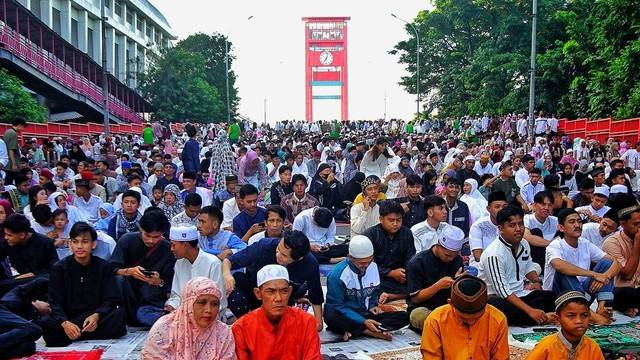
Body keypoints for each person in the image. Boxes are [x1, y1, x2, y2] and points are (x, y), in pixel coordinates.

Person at [37, 222, 126, 346]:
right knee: (46, 323)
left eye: (84, 242)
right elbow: (54, 301)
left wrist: (97, 315)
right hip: (70, 317)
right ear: (70, 244)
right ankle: (75, 332)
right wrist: (65, 323)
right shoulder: (59, 268)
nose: (79, 246)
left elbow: (111, 298)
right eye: (75, 242)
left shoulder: (104, 267)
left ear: (93, 244)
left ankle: (74, 334)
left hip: (95, 316)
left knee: (118, 316)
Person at [222, 231, 324, 330]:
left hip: (281, 299)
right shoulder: (264, 246)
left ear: (299, 258)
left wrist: (318, 323)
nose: (278, 255)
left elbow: (316, 294)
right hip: (255, 291)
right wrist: (227, 275)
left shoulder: (310, 264)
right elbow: (229, 261)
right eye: (278, 249)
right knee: (237, 287)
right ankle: (250, 322)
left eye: (284, 255)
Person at [479, 206, 556, 327]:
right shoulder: (493, 254)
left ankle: (540, 316)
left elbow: (528, 267)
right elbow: (503, 291)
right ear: (501, 229)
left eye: (521, 224)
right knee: (498, 308)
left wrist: (536, 281)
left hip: (520, 294)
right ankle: (543, 317)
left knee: (551, 297)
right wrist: (530, 311)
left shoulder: (524, 243)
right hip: (498, 299)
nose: (518, 229)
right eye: (512, 225)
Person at [543, 208, 620, 325]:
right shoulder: (555, 245)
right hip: (558, 296)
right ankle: (591, 315)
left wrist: (605, 276)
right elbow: (559, 265)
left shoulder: (585, 243)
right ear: (561, 227)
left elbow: (616, 262)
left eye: (579, 221)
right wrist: (594, 274)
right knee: (564, 272)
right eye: (572, 222)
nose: (577, 225)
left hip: (583, 295)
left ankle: (601, 308)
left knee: (606, 264)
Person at [324, 235, 408, 341]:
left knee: (404, 316)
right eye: (362, 263)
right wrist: (363, 321)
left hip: (366, 314)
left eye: (369, 261)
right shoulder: (337, 275)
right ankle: (367, 331)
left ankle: (356, 330)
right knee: (331, 316)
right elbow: (337, 305)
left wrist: (373, 306)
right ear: (350, 258)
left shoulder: (372, 266)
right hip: (347, 316)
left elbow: (375, 292)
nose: (366, 266)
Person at [232, 264, 322, 360]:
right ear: (258, 293)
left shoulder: (306, 321)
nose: (278, 298)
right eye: (271, 292)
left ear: (290, 291)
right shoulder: (241, 328)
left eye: (284, 291)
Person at [143, 277, 236, 360]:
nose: (209, 310)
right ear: (188, 304)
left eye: (215, 304)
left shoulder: (223, 333)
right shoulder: (164, 328)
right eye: (202, 302)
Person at [420, 275, 510, 360]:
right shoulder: (435, 320)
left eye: (477, 317)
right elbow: (431, 357)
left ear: (486, 305)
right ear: (451, 304)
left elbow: (501, 357)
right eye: (463, 318)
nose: (471, 322)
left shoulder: (498, 319)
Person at [110, 210, 175, 326]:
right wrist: (129, 271)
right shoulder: (126, 240)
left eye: (156, 237)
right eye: (147, 235)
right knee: (119, 280)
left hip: (152, 297)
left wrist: (159, 282)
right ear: (141, 229)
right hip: (128, 293)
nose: (150, 240)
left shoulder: (168, 248)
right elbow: (111, 269)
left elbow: (170, 281)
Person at [407, 226, 465, 331]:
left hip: (449, 307)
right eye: (447, 255)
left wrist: (461, 282)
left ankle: (447, 327)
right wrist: (438, 286)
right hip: (425, 308)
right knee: (418, 316)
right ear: (438, 245)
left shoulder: (457, 260)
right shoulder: (417, 262)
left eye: (454, 255)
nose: (450, 259)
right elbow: (415, 298)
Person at [164, 224, 227, 316]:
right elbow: (177, 295)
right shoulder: (179, 263)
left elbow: (219, 300)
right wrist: (171, 306)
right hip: (182, 315)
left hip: (207, 316)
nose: (171, 249)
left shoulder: (213, 263)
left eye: (174, 245)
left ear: (185, 245)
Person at [525, 291, 605, 360]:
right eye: (571, 316)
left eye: (584, 315)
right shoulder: (547, 346)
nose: (579, 321)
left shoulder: (592, 347)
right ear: (558, 319)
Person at [364, 200, 416, 300]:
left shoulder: (407, 233)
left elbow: (410, 258)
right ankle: (389, 295)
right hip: (378, 276)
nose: (395, 224)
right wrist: (390, 273)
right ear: (381, 219)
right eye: (391, 220)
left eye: (399, 220)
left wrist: (404, 273)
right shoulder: (371, 235)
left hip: (400, 277)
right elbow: (367, 264)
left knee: (421, 283)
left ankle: (390, 296)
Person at [602, 194, 640, 317]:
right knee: (622, 294)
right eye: (636, 224)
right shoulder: (612, 242)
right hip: (621, 290)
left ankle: (633, 308)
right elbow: (627, 275)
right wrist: (637, 244)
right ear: (623, 224)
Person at [468, 191, 508, 270]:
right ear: (488, 209)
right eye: (497, 207)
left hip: (506, 263)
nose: (501, 210)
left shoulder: (511, 224)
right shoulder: (478, 226)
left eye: (504, 207)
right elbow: (478, 256)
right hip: (482, 265)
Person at [524, 190, 559, 270]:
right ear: (534, 205)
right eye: (543, 204)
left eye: (550, 205)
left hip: (552, 257)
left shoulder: (555, 221)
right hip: (534, 259)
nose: (546, 208)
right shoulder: (527, 219)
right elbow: (528, 238)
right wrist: (552, 244)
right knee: (536, 232)